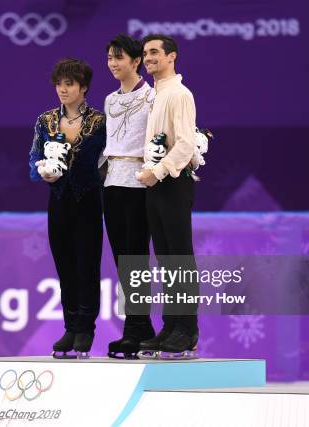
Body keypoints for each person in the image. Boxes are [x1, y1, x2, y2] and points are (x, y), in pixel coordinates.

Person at [29, 58, 106, 358]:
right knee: (65, 266)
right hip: (58, 200)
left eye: (69, 83)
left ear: (84, 87)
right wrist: (43, 172)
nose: (63, 89)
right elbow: (34, 158)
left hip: (88, 199)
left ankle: (86, 327)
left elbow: (109, 160)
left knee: (87, 265)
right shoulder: (45, 120)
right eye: (59, 83)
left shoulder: (100, 121)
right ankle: (70, 326)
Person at [135, 34, 200, 359]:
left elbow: (186, 144)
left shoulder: (179, 94)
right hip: (155, 183)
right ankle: (171, 325)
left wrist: (158, 172)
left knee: (179, 258)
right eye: (145, 53)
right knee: (164, 258)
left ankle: (187, 330)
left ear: (172, 56)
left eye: (155, 52)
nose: (148, 58)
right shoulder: (155, 95)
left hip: (173, 182)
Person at [102, 34, 156, 359]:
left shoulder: (152, 98)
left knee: (136, 257)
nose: (112, 63)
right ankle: (139, 326)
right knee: (122, 260)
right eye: (109, 57)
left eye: (118, 57)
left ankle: (135, 328)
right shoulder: (109, 100)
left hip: (139, 184)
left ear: (136, 61)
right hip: (111, 184)